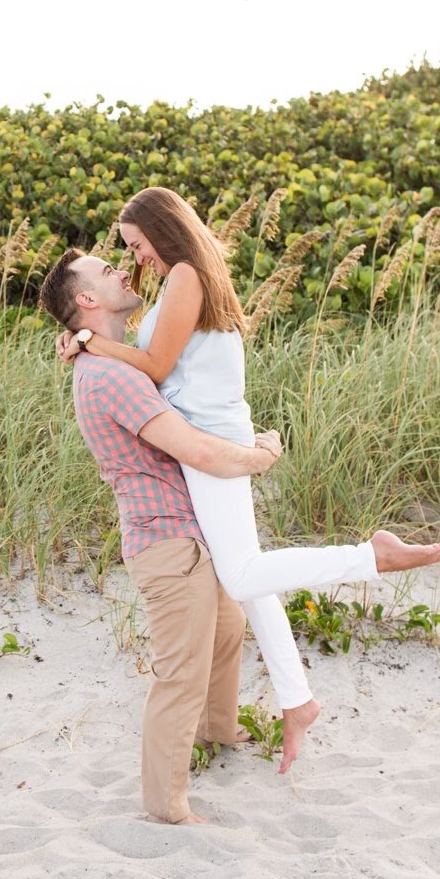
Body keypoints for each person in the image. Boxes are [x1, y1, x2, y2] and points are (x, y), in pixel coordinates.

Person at [54, 187, 440, 773]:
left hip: (211, 446)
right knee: (249, 570)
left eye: (137, 245)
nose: (135, 258)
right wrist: (84, 335)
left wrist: (91, 342)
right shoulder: (182, 280)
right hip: (213, 438)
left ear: (163, 232)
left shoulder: (186, 275)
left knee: (241, 575)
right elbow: (152, 349)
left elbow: (159, 368)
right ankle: (298, 701)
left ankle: (371, 557)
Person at [37, 247, 285, 825]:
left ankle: (218, 733)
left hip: (189, 530)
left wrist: (85, 340)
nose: (123, 270)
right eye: (106, 270)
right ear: (87, 300)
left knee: (227, 631)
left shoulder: (113, 361)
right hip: (167, 541)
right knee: (181, 669)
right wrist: (261, 456)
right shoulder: (109, 377)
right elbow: (193, 448)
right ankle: (167, 806)